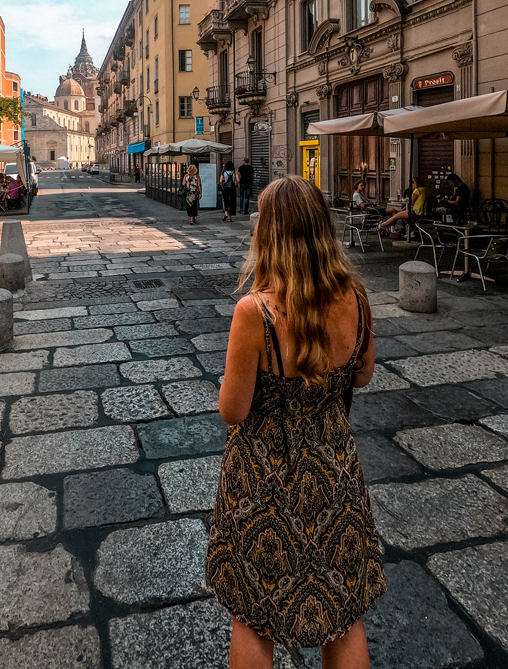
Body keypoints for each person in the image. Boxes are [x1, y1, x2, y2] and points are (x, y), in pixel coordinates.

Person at [206, 175, 385, 669]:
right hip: (334, 473)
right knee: (343, 613)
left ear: (269, 236)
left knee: (252, 615)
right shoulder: (357, 298)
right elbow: (364, 375)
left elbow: (233, 410)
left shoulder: (254, 313)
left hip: (263, 480)